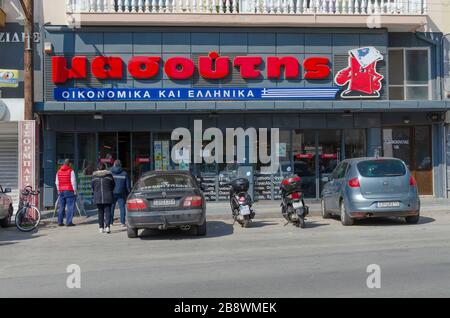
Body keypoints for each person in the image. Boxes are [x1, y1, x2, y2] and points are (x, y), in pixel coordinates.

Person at [92, 163, 115, 234]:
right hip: (107, 195)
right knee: (108, 211)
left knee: (100, 212)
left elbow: (92, 187)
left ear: (98, 169)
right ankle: (107, 227)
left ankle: (101, 227)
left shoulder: (94, 177)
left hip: (98, 196)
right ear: (105, 168)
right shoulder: (109, 176)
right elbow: (113, 185)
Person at [55, 159, 77, 227]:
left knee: (61, 207)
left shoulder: (58, 171)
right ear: (69, 164)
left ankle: (60, 222)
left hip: (61, 191)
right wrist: (75, 190)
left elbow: (57, 182)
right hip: (69, 190)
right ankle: (68, 222)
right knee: (70, 207)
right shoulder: (71, 171)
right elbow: (73, 181)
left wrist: (58, 190)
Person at [110, 160, 131, 227]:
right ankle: (122, 222)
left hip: (112, 192)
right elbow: (127, 185)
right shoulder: (124, 173)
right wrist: (129, 193)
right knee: (122, 207)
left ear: (114, 165)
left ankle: (110, 222)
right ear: (120, 165)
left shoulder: (110, 173)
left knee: (111, 207)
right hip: (121, 192)